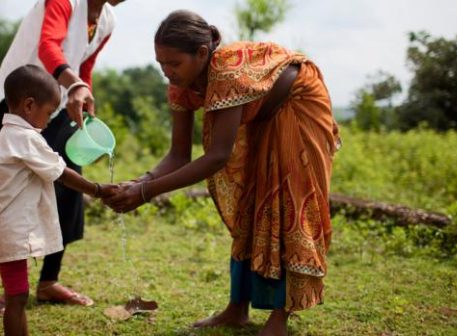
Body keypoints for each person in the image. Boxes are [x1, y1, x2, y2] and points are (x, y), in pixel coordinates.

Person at [103, 10, 341, 336]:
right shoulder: (181, 86)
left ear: (202, 54)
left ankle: (279, 319)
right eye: (161, 64)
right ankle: (236, 308)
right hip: (259, 115)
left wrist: (146, 193)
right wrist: (142, 180)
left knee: (288, 205)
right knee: (250, 203)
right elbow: (178, 155)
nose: (167, 72)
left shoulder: (226, 71)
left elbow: (216, 157)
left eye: (174, 64)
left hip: (299, 105)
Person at [0, 0, 126, 312]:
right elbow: (48, 45)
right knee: (19, 193)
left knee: (65, 192)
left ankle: (49, 281)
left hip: (59, 104)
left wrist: (84, 91)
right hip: (23, 103)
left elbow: (85, 63)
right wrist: (75, 84)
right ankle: (13, 289)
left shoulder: (108, 20)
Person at [0, 65, 114, 336]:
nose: (49, 119)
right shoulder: (26, 138)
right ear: (29, 106)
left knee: (17, 297)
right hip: (10, 229)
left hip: (6, 227)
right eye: (48, 112)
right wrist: (99, 190)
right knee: (17, 300)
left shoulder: (11, 134)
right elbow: (62, 173)